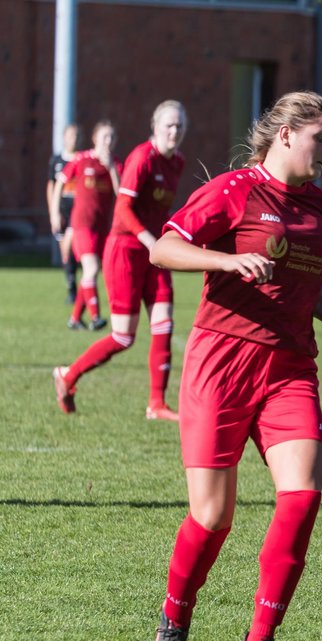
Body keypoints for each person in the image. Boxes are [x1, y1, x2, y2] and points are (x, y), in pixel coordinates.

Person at [147, 91, 322, 641]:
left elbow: (305, 277)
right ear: (286, 135)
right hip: (221, 362)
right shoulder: (234, 191)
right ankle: (175, 620)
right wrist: (225, 263)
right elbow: (163, 248)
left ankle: (259, 639)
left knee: (303, 495)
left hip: (290, 368)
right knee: (212, 517)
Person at [52, 101, 188, 419]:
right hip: (126, 250)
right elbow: (123, 210)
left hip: (153, 252)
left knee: (164, 324)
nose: (174, 131)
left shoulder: (177, 162)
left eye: (180, 126)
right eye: (168, 125)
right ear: (154, 127)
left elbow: (160, 210)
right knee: (123, 336)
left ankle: (156, 404)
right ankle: (67, 375)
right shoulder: (141, 158)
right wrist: (152, 241)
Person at [51, 121, 120, 331]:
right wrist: (55, 212)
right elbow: (60, 182)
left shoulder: (115, 164)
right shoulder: (82, 159)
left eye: (112, 138)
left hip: (103, 227)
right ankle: (96, 316)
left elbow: (121, 194)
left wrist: (111, 168)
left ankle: (74, 318)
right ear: (95, 138)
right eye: (104, 137)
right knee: (92, 268)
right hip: (81, 224)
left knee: (91, 272)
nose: (108, 141)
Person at [47, 124, 81, 304]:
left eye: (76, 136)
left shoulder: (82, 159)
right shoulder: (56, 161)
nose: (73, 139)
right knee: (66, 253)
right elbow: (51, 186)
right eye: (70, 136)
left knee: (73, 249)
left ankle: (78, 290)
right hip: (62, 209)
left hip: (79, 210)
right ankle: (71, 288)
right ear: (64, 138)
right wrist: (53, 212)